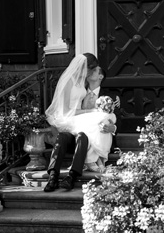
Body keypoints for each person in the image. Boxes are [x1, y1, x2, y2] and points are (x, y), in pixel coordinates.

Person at [44, 55, 117, 192]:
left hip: (77, 120)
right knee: (65, 136)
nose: (91, 72)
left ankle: (72, 176)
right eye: (92, 69)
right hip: (68, 118)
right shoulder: (68, 81)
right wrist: (91, 111)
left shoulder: (82, 82)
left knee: (85, 134)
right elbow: (66, 110)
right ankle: (53, 176)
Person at [62, 95, 117, 173]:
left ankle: (97, 160)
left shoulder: (109, 93)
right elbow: (68, 113)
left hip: (106, 136)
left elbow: (116, 118)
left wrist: (113, 128)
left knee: (98, 126)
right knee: (92, 129)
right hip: (81, 134)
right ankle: (92, 160)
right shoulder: (81, 95)